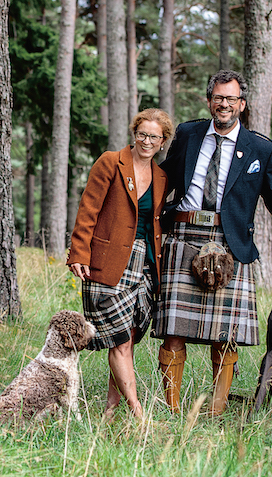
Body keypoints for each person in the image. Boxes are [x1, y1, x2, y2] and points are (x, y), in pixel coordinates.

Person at [154, 69, 272, 415]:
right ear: (209, 100)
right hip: (184, 236)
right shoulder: (188, 134)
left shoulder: (260, 148)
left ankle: (215, 410)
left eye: (231, 99)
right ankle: (172, 412)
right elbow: (162, 179)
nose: (223, 104)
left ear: (241, 104)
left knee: (224, 334)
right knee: (173, 332)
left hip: (230, 244)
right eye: (218, 97)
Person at [67, 108, 174, 420]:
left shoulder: (161, 177)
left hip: (144, 266)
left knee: (128, 338)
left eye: (154, 136)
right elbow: (89, 207)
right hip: (108, 261)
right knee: (119, 341)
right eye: (142, 134)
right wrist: (79, 253)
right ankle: (138, 413)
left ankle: (110, 411)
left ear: (163, 141)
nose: (146, 141)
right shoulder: (111, 161)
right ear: (134, 133)